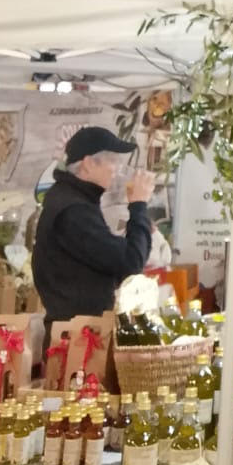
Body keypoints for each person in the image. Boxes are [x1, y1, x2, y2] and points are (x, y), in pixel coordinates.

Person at [32, 126, 154, 337]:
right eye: (113, 161)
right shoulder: (74, 212)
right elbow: (131, 262)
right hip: (78, 340)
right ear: (88, 164)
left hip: (78, 333)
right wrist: (138, 206)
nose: (117, 170)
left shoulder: (71, 200)